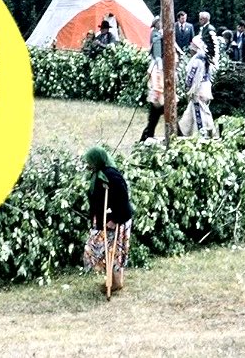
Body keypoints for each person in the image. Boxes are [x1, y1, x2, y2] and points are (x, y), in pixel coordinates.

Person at [81, 146, 133, 296]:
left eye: (90, 161)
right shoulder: (98, 175)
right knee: (109, 251)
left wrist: (116, 220)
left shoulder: (111, 175)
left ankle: (115, 283)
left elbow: (123, 198)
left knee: (107, 250)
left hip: (116, 220)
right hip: (104, 219)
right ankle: (115, 281)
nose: (88, 165)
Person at [179, 37, 215, 138]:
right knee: (191, 111)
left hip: (198, 89)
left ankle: (202, 134)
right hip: (206, 87)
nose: (190, 49)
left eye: (192, 47)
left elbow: (191, 76)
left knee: (200, 112)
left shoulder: (197, 60)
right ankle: (184, 131)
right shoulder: (205, 59)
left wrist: (187, 87)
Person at [140, 16, 164, 142]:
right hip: (157, 69)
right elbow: (157, 53)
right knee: (155, 117)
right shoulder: (155, 34)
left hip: (160, 89)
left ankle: (146, 136)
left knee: (154, 118)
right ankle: (146, 137)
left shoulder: (159, 34)